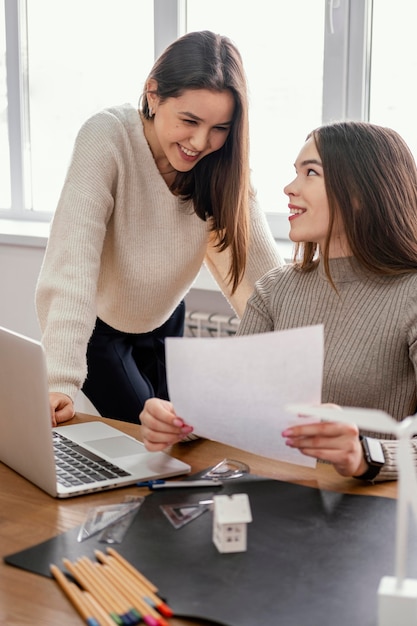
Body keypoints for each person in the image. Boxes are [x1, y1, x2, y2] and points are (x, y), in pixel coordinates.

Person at [140, 120, 417, 482]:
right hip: (278, 492)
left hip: (373, 510)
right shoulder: (277, 288)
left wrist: (365, 453)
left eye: (311, 173)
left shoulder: (410, 294)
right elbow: (234, 402)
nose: (289, 188)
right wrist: (179, 420)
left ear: (360, 193)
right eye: (294, 173)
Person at [35, 30, 282, 427]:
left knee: (185, 435)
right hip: (104, 327)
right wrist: (59, 380)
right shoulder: (107, 138)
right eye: (189, 120)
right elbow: (72, 262)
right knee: (146, 439)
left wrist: (310, 361)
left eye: (220, 128)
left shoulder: (221, 166)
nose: (201, 142)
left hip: (166, 316)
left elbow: (266, 276)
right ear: (153, 95)